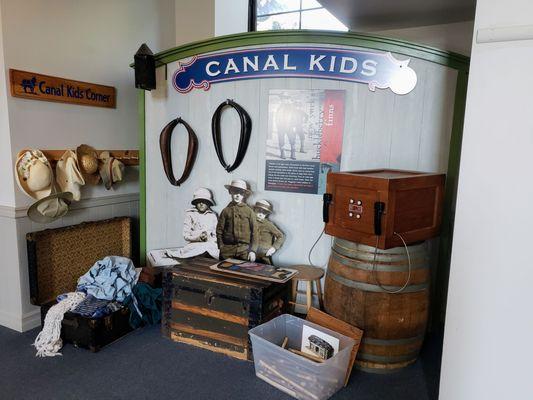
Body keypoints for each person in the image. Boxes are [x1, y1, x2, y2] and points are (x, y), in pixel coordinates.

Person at [170, 187, 219, 259]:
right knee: (194, 251)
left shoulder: (213, 215)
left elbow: (216, 235)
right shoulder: (190, 214)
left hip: (210, 245)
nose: (201, 204)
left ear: (208, 203)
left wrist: (209, 238)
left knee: (214, 250)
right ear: (195, 203)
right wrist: (198, 237)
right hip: (194, 245)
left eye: (204, 201)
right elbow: (186, 235)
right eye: (199, 201)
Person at [216, 179, 258, 261]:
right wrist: (221, 247)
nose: (237, 195)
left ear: (244, 195)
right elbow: (219, 230)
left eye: (241, 193)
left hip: (244, 250)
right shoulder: (225, 211)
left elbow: (255, 232)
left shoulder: (249, 211)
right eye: (235, 192)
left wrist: (253, 251)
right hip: (227, 250)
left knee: (242, 272)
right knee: (223, 271)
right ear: (230, 192)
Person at [253, 200, 285, 265]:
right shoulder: (250, 222)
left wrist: (273, 248)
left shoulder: (268, 224)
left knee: (265, 271)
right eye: (259, 210)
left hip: (263, 254)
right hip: (250, 252)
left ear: (267, 214)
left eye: (264, 212)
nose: (261, 214)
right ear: (254, 210)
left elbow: (281, 236)